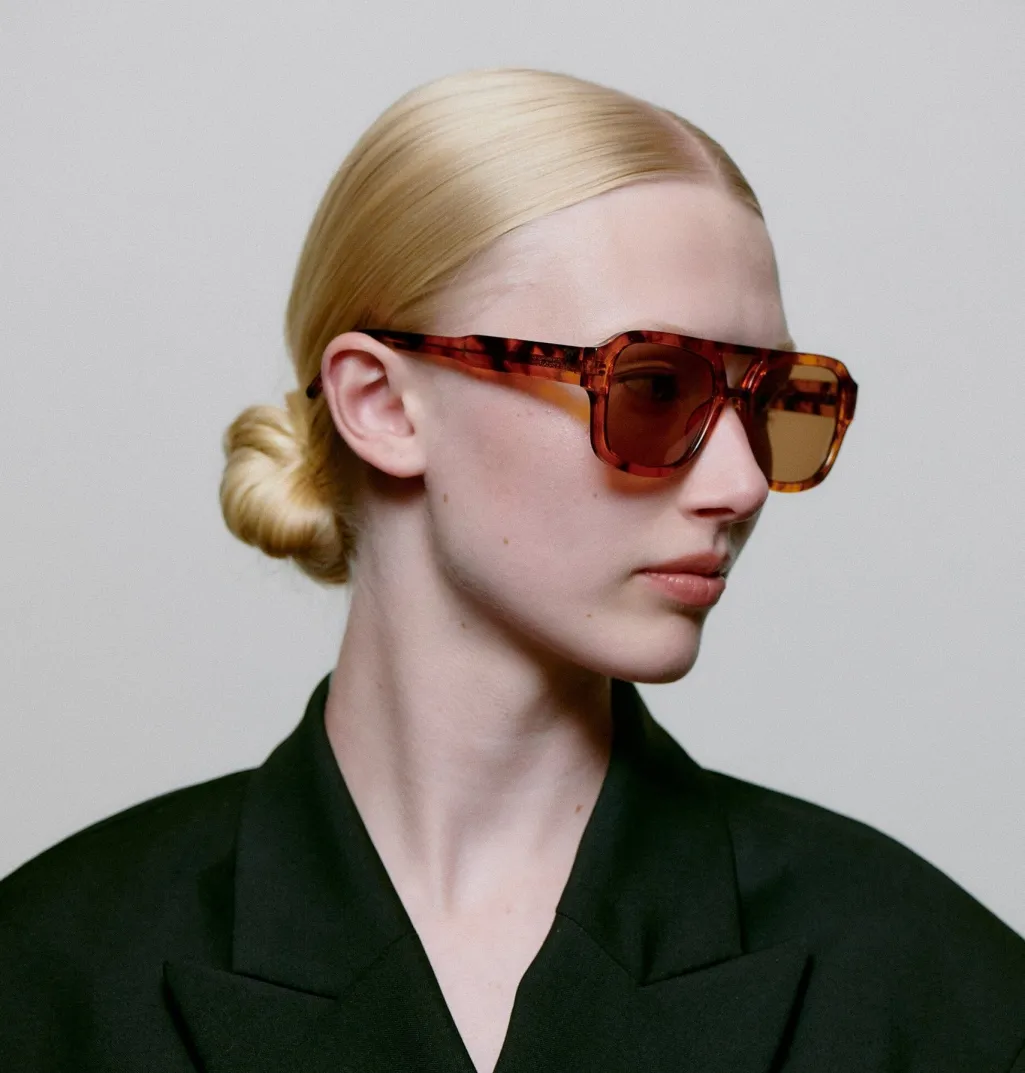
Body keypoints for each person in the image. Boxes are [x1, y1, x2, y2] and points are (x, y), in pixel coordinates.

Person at [0, 66, 1022, 1073]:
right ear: (382, 405)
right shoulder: (43, 976)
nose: (742, 482)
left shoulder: (939, 993)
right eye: (651, 386)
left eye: (774, 400)